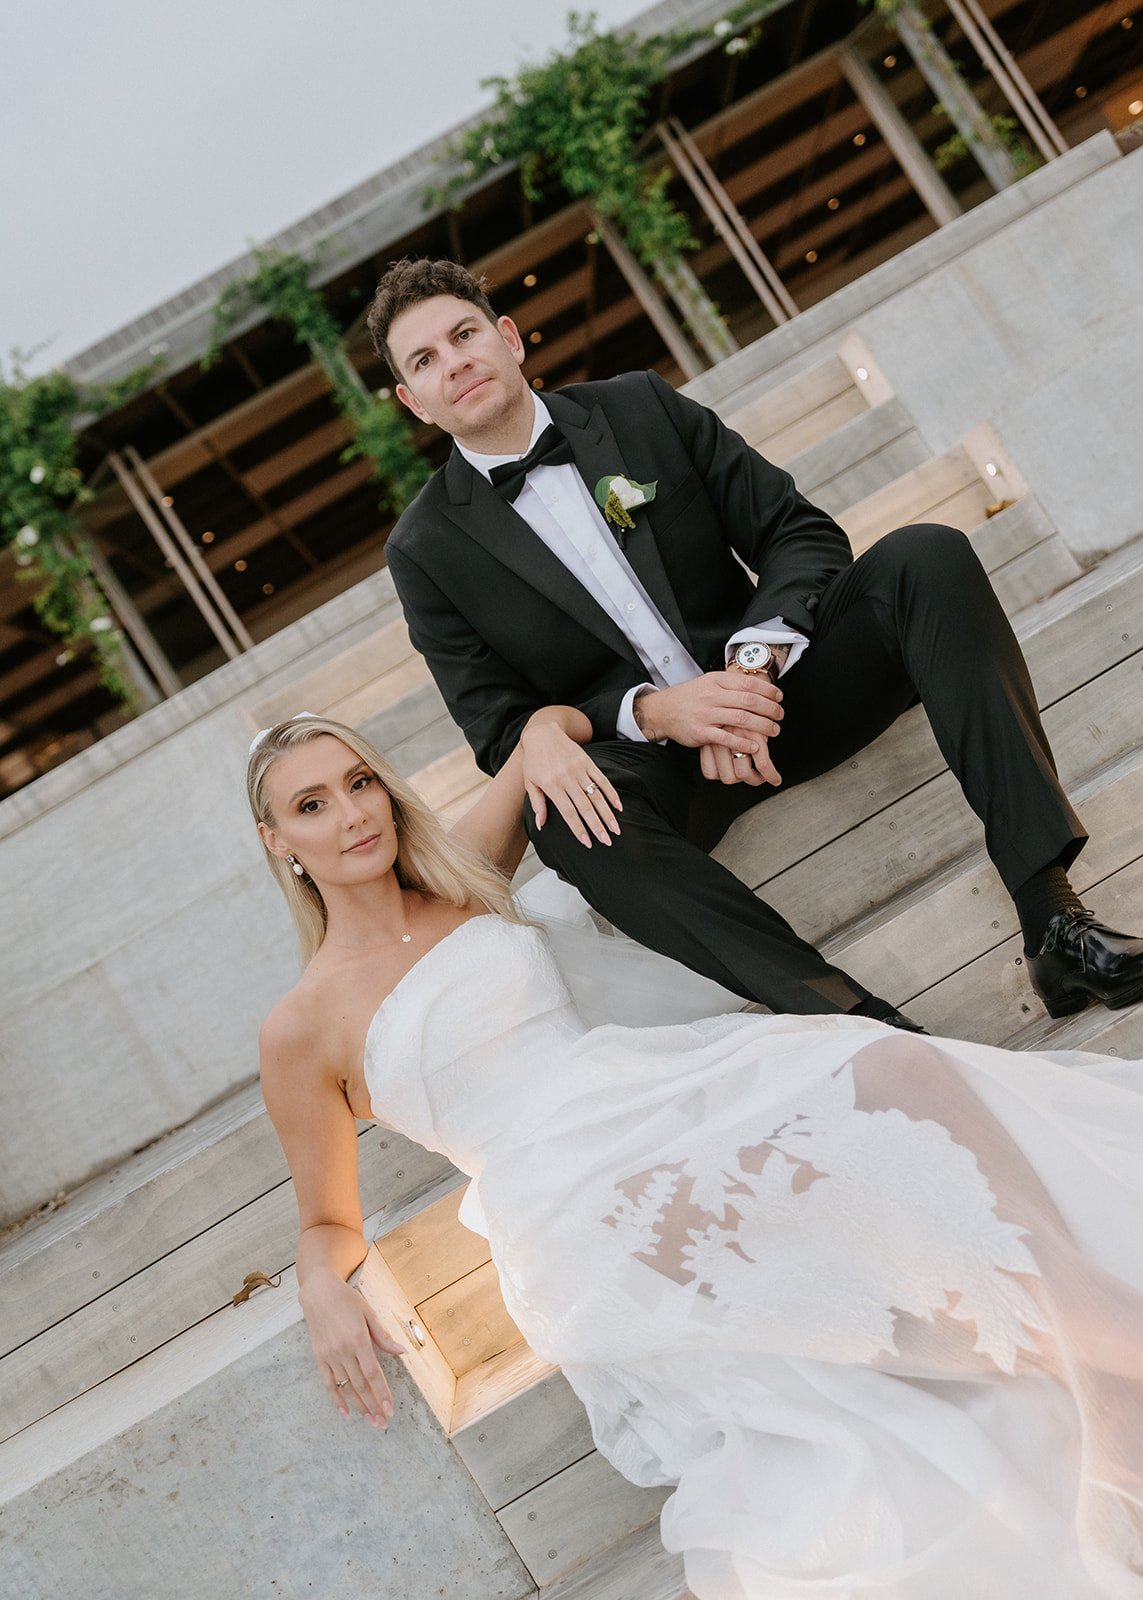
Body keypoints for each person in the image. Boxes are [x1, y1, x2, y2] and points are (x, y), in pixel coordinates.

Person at [250, 710, 1143, 1599]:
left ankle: (1090, 1350)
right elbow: (326, 1218)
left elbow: (544, 731)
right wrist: (320, 1283)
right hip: (562, 1197)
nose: (352, 814)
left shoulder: (459, 877)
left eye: (360, 783)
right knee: (806, 1186)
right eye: (313, 805)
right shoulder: (300, 1026)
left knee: (886, 1060)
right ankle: (1107, 1357)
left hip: (644, 1090)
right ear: (278, 840)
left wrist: (547, 738)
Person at [366, 256, 1143, 1029]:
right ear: (413, 402)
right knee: (561, 818)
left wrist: (749, 668)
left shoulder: (640, 406)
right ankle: (855, 1020)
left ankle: (1050, 920)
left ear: (508, 336)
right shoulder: (425, 550)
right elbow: (499, 728)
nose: (454, 363)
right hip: (665, 778)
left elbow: (794, 532)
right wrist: (661, 713)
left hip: (786, 698)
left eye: (463, 334)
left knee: (925, 557)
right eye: (425, 361)